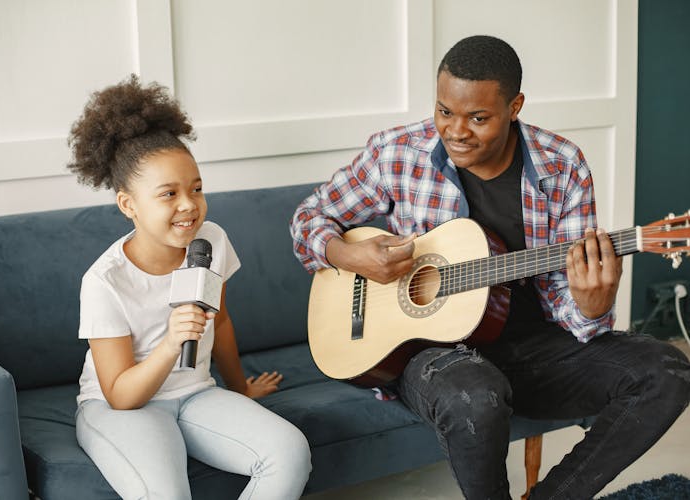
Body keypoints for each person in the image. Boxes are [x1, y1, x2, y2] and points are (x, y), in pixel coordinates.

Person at [290, 35, 690, 499]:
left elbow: (571, 310)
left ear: (514, 106)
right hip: (435, 355)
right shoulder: (396, 152)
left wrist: (592, 303)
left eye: (478, 118)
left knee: (668, 371)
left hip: (534, 347)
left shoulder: (563, 167)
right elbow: (308, 218)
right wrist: (347, 254)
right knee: (474, 396)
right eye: (444, 111)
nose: (456, 131)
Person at [68, 75, 311, 499]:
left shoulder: (210, 240)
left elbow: (224, 320)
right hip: (121, 408)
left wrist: (241, 388)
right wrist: (169, 342)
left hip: (196, 394)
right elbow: (121, 395)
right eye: (168, 194)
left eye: (196, 188)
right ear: (129, 205)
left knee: (289, 452)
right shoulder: (104, 281)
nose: (189, 205)